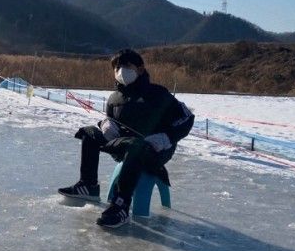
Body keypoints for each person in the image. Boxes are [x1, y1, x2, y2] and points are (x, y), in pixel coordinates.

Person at [58, 49, 194, 228]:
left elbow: (187, 118)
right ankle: (88, 185)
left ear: (140, 68)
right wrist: (104, 125)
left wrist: (166, 138)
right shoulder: (114, 98)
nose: (121, 71)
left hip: (155, 150)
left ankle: (121, 205)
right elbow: (110, 120)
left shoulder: (158, 94)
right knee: (89, 133)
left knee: (135, 145)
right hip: (125, 146)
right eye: (117, 67)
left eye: (126, 66)